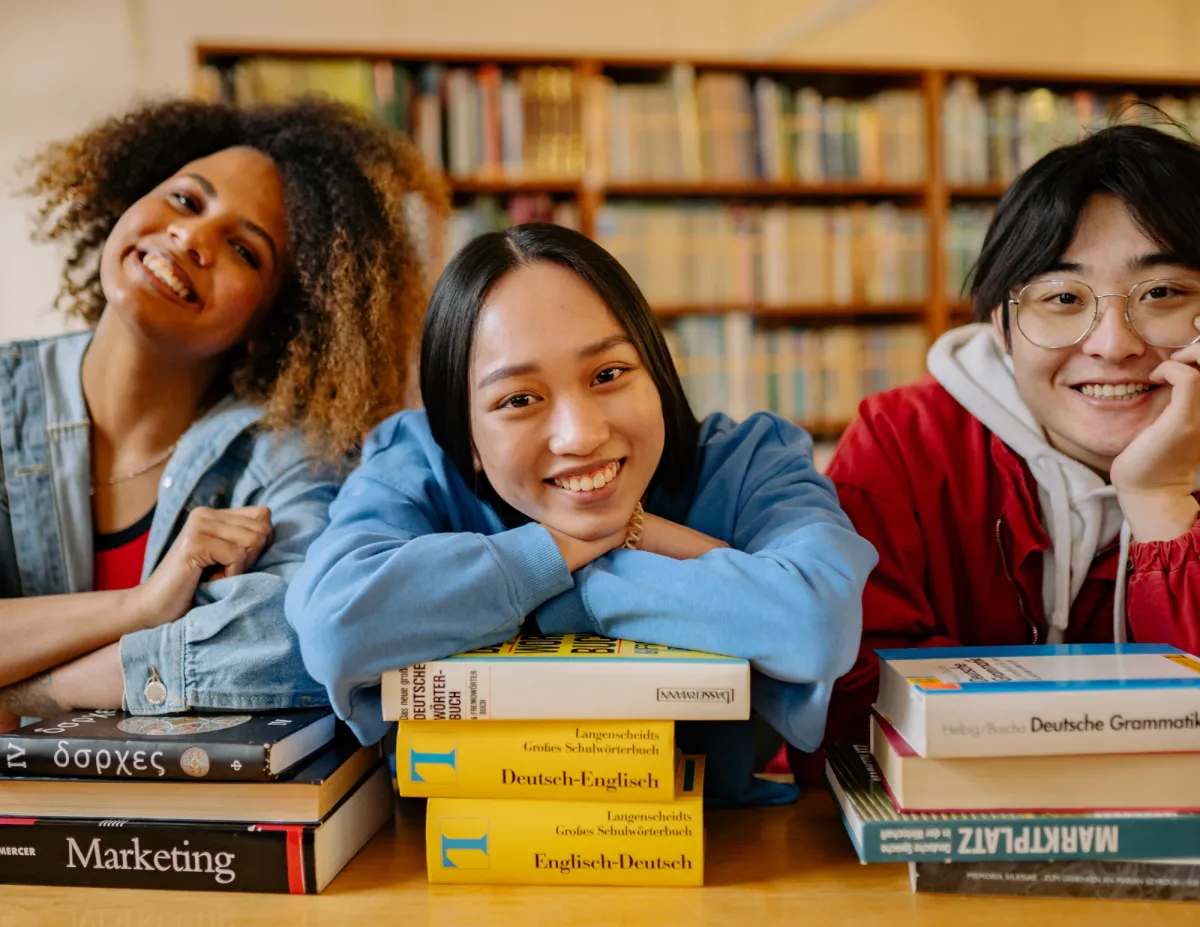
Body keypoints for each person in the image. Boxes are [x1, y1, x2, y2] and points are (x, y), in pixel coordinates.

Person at [285, 222, 876, 803]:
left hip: (725, 857)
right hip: (456, 859)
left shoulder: (750, 461)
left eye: (608, 374)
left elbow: (816, 622)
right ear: (463, 435)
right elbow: (339, 625)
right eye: (519, 399)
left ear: (657, 370)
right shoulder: (416, 461)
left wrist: (560, 593)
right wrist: (563, 552)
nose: (581, 435)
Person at [0, 97, 439, 730]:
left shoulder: (294, 455)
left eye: (244, 250)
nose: (192, 236)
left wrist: (29, 694)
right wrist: (140, 608)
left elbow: (304, 636)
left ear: (273, 322)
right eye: (185, 200)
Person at [816, 122, 1200, 764]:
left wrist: (1159, 500)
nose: (1112, 344)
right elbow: (843, 697)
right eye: (1062, 297)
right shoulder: (906, 441)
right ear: (1002, 325)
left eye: (1162, 293)